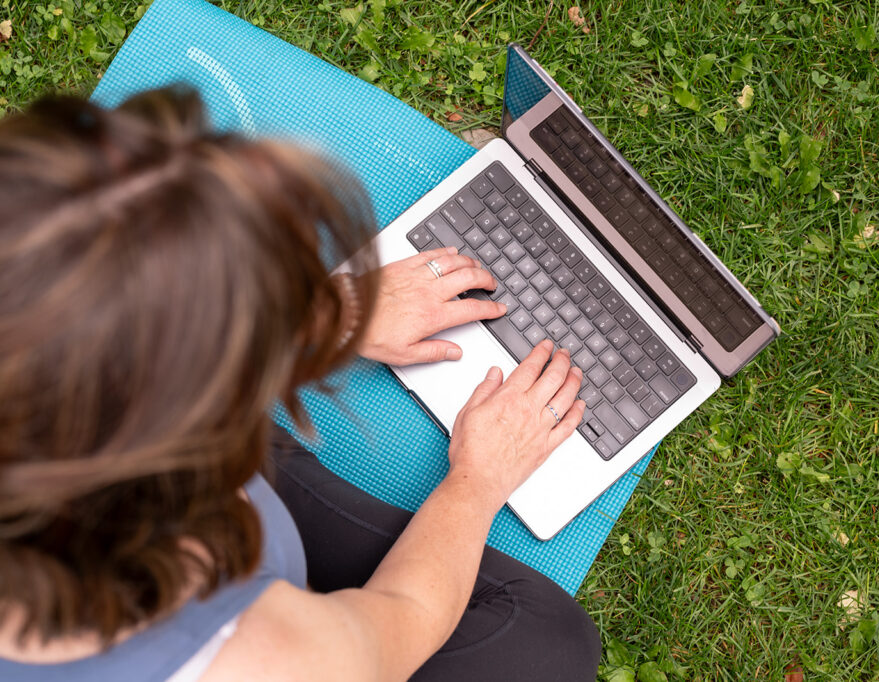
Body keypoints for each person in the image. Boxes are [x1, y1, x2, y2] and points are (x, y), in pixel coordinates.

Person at [0, 87, 601, 681]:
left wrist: (336, 314)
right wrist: (478, 479)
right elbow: (398, 623)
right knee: (548, 641)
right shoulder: (250, 661)